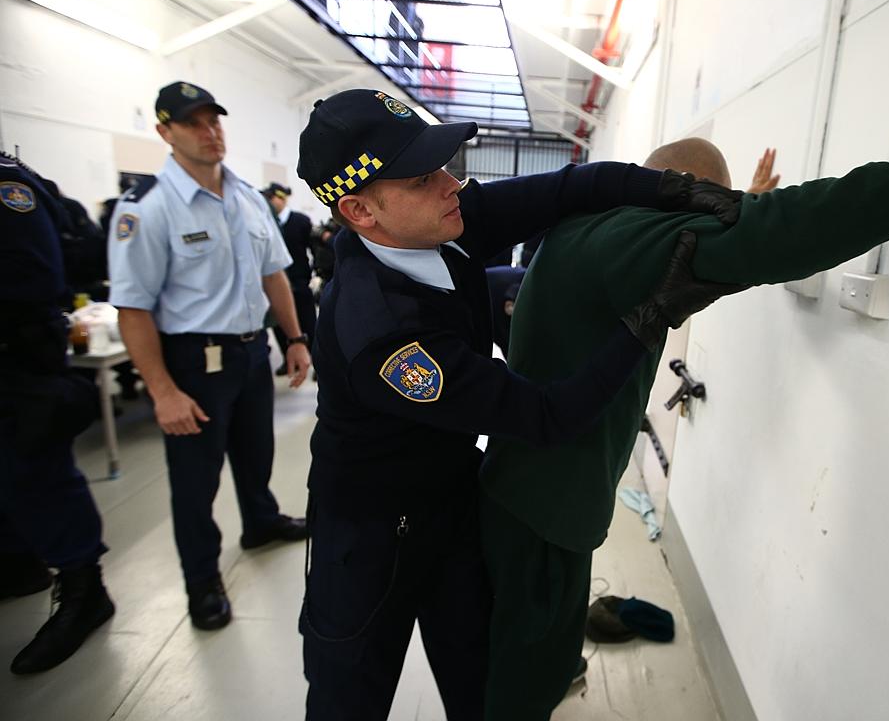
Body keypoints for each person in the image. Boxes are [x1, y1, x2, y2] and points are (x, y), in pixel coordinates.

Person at [478, 56, 889, 720]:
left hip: (539, 492)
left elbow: (688, 273)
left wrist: (743, 219)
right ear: (676, 195)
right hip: (545, 509)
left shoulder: (591, 231)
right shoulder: (623, 239)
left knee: (534, 651)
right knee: (517, 683)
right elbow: (779, 235)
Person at [295, 88, 741, 720]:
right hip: (369, 536)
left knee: (483, 685)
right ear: (360, 210)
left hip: (450, 503)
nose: (453, 184)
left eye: (445, 165)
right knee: (349, 699)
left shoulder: (436, 219)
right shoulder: (384, 337)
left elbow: (566, 190)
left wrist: (667, 188)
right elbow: (546, 416)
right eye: (425, 176)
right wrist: (649, 321)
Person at [107, 81, 312, 631]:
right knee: (195, 481)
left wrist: (292, 338)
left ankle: (261, 523)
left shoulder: (246, 197)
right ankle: (202, 580)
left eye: (214, 120)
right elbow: (132, 308)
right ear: (165, 132)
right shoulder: (148, 208)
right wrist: (162, 390)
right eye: (194, 123)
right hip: (193, 361)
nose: (209, 131)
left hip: (250, 353)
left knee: (256, 452)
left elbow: (275, 273)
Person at [0, 152, 115, 674]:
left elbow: (30, 278)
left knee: (36, 470)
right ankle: (18, 563)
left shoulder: (9, 185)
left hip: (17, 361)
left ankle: (83, 589)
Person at [262, 182, 317, 375]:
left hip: (299, 281)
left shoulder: (300, 221)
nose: (269, 202)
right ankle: (289, 360)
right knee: (279, 325)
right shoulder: (267, 221)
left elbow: (314, 248)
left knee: (309, 323)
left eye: (271, 198)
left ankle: (319, 363)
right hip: (275, 284)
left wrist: (314, 271)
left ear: (281, 198)